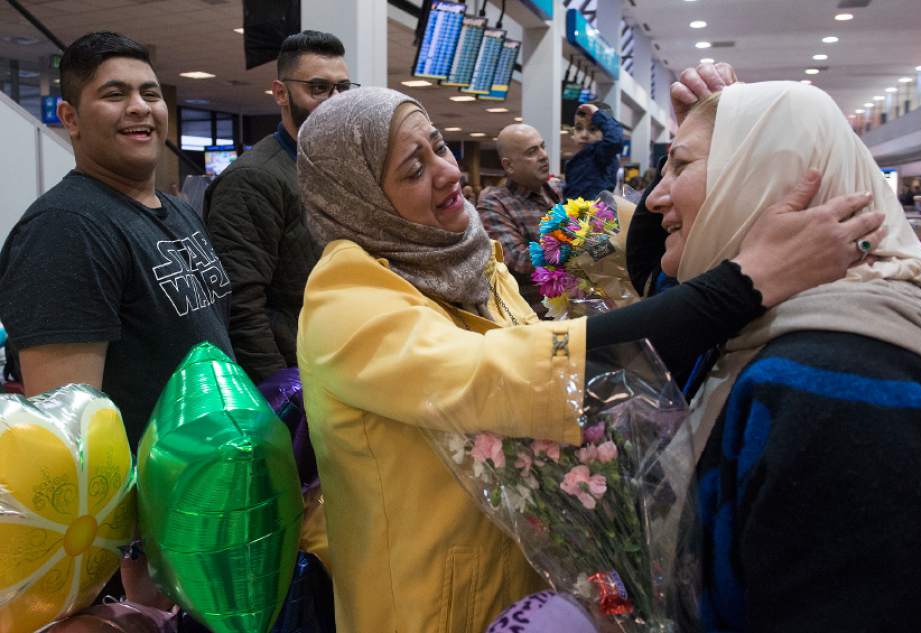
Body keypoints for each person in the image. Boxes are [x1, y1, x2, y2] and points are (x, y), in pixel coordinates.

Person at [294, 85, 884, 633]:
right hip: (425, 604)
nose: (448, 171)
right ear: (360, 200)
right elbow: (508, 374)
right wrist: (742, 281)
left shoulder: (464, 258)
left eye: (440, 145)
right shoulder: (346, 302)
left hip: (525, 586)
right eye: (414, 168)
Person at [645, 81, 921, 632]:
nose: (654, 197)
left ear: (758, 179)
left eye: (679, 166)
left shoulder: (842, 385)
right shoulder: (776, 333)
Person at [0, 32, 232, 447]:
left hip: (213, 481)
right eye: (114, 94)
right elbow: (69, 435)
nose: (140, 107)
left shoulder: (174, 209)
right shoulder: (65, 230)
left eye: (150, 93)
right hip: (149, 500)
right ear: (70, 118)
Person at [204, 30, 352, 384]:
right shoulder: (252, 179)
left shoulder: (340, 165)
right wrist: (283, 397)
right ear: (281, 93)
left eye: (342, 88)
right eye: (318, 88)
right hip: (300, 378)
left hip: (344, 364)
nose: (334, 100)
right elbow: (240, 306)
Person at [477, 123, 561, 312]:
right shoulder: (494, 203)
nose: (543, 155)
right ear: (509, 165)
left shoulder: (556, 192)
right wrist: (574, 239)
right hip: (537, 316)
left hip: (578, 305)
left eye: (542, 147)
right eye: (532, 152)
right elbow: (520, 261)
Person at [563, 101, 623, 200]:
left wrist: (597, 114)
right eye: (578, 128)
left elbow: (615, 140)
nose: (584, 135)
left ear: (605, 131)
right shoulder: (574, 161)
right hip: (575, 212)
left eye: (592, 129)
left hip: (595, 213)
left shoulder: (601, 154)